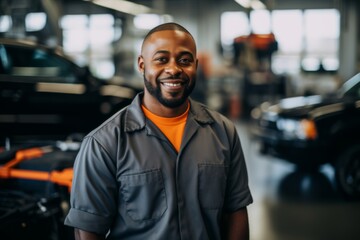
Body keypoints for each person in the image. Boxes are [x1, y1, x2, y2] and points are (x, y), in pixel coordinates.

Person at [64, 22, 253, 240]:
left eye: (184, 60)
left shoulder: (223, 132)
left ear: (196, 65)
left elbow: (236, 211)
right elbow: (88, 230)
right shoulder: (104, 143)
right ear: (142, 65)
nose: (174, 69)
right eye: (161, 59)